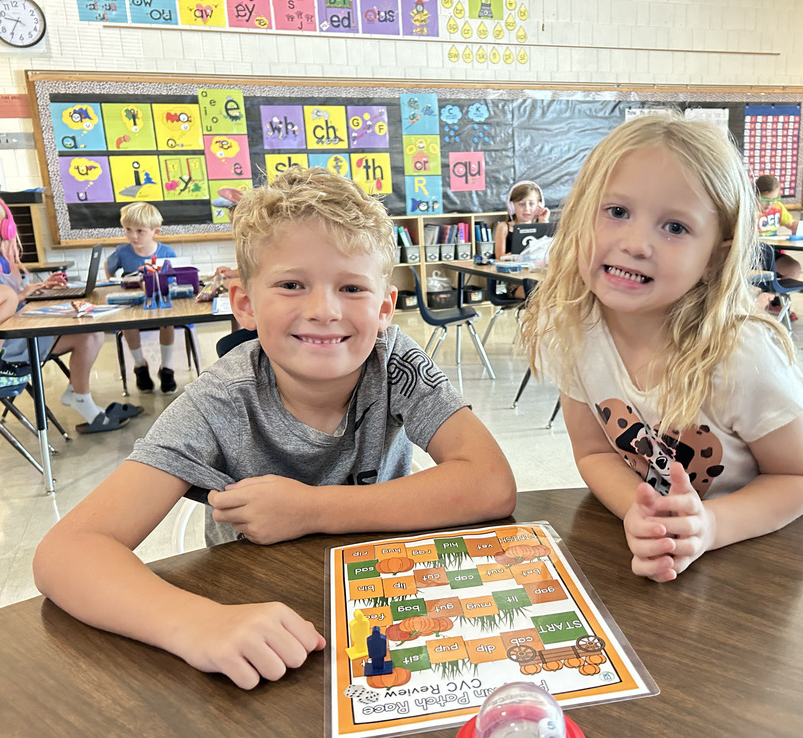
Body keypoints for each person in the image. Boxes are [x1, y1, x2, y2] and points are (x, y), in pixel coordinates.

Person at [33, 166, 517, 689]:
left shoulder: (392, 360)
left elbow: (489, 482)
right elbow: (67, 552)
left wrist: (310, 509)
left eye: (351, 288)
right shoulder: (220, 398)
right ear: (245, 304)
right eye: (291, 284)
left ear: (383, 311)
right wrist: (197, 623)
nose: (324, 310)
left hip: (386, 593)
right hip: (257, 619)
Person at [518, 114, 803, 584]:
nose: (636, 244)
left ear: (715, 258)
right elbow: (595, 454)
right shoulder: (577, 334)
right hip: (706, 540)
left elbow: (801, 479)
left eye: (675, 227)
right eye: (617, 211)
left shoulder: (739, 355)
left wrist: (710, 526)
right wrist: (642, 516)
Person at [0, 193, 131, 431]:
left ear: (5, 227)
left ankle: (77, 391)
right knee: (89, 335)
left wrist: (32, 290)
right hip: (6, 346)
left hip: (18, 331)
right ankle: (81, 399)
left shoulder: (0, 261)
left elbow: (6, 303)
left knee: (92, 332)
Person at [104, 201, 180, 393]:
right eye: (128, 230)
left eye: (140, 231)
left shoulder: (166, 253)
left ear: (156, 232)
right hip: (133, 304)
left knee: (167, 321)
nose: (133, 236)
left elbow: (174, 278)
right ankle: (140, 366)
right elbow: (108, 269)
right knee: (128, 322)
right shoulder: (122, 252)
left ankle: (167, 368)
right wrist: (119, 281)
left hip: (159, 303)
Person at [755, 175, 802, 319]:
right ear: (755, 195)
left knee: (793, 267)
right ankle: (759, 308)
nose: (770, 204)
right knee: (763, 271)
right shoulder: (748, 209)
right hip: (752, 253)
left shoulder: (777, 208)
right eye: (765, 199)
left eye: (774, 199)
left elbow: (792, 224)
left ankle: (774, 301)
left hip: (771, 252)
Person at [494, 180, 550, 261]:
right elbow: (499, 257)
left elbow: (546, 254)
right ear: (511, 207)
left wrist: (544, 221)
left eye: (531, 204)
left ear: (539, 206)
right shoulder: (504, 227)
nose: (527, 209)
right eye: (521, 204)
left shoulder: (541, 225)